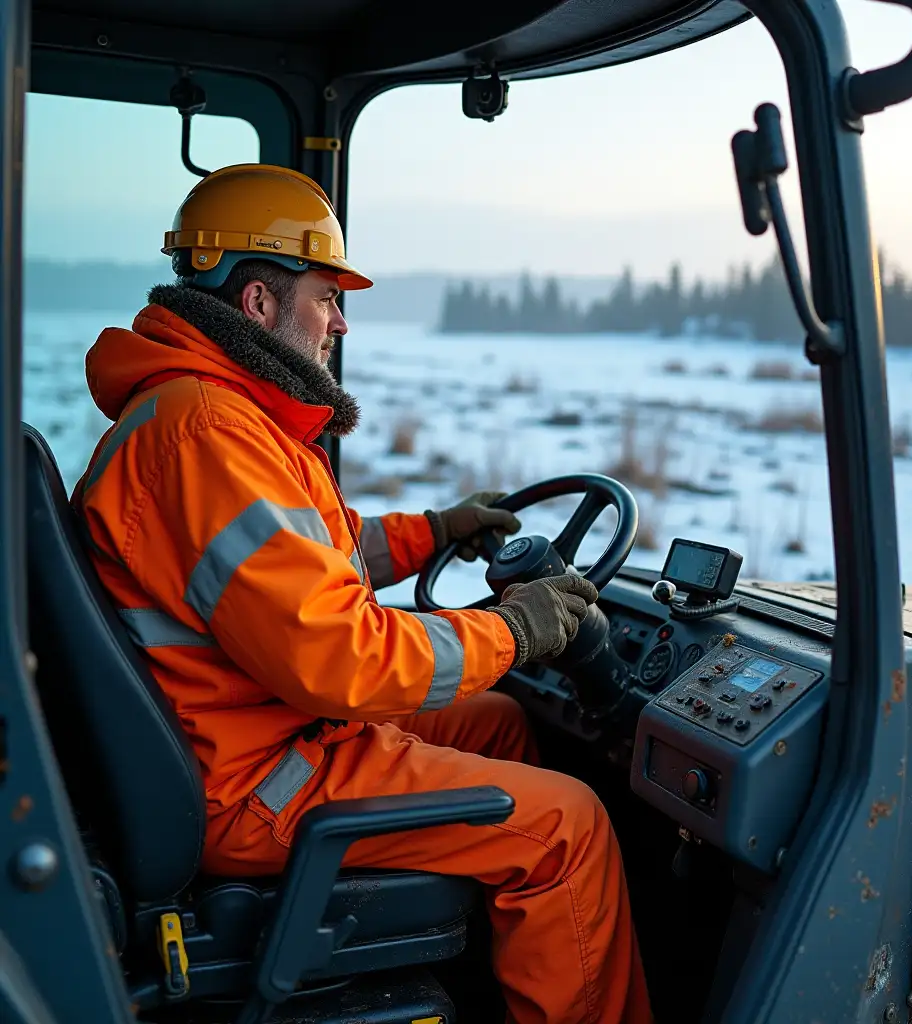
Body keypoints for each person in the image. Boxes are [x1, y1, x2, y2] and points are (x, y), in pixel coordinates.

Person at [73, 163, 652, 1024]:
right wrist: (512, 631)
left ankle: (500, 980)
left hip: (245, 731)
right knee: (568, 826)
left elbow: (312, 558)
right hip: (254, 779)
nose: (339, 321)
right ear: (261, 304)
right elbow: (337, 657)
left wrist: (437, 530)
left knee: (498, 721)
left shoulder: (211, 413)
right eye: (326, 295)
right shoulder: (207, 433)